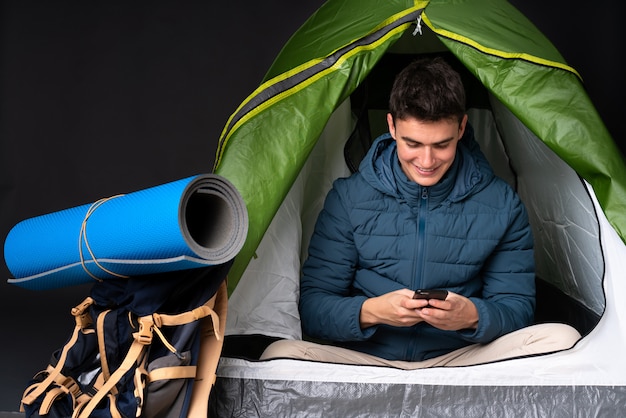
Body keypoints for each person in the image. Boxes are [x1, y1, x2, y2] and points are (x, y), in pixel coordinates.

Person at [260, 57, 580, 368]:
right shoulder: (349, 197)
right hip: (366, 362)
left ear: (461, 128)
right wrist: (371, 312)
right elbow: (313, 308)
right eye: (413, 143)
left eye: (441, 145)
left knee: (561, 338)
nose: (426, 161)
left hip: (461, 362)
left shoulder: (502, 203)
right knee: (279, 353)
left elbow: (517, 310)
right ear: (392, 126)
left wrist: (472, 317)